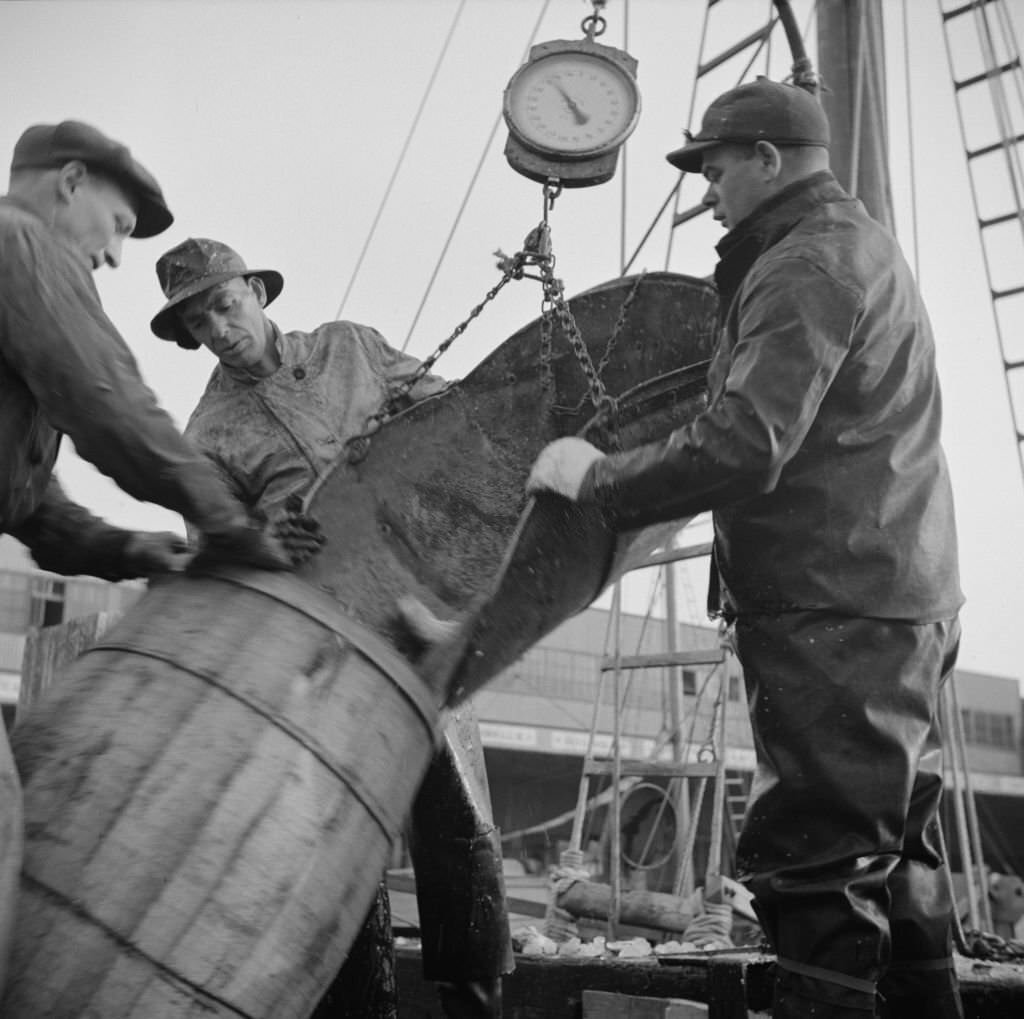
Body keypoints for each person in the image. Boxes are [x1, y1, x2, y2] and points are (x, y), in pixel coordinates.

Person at [527, 79, 964, 1019]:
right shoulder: (859, 248)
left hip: (835, 612)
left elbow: (745, 443)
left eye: (717, 170)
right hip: (895, 599)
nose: (707, 191)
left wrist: (594, 476)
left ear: (769, 161)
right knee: (895, 863)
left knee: (817, 877)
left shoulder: (806, 264)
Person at [150, 237, 513, 1019]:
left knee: (452, 809)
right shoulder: (206, 436)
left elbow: (456, 414)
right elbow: (212, 555)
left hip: (419, 611)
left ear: (256, 290)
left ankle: (475, 997)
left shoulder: (353, 347)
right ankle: (363, 1007)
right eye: (197, 320)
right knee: (341, 832)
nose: (217, 326)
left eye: (224, 302)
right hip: (317, 643)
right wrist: (261, 544)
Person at [0, 121, 290, 994]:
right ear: (70, 183)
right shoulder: (21, 243)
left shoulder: (346, 350)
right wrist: (223, 521)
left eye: (225, 302)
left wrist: (128, 548)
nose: (118, 256)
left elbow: (23, 502)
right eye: (121, 226)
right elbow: (107, 401)